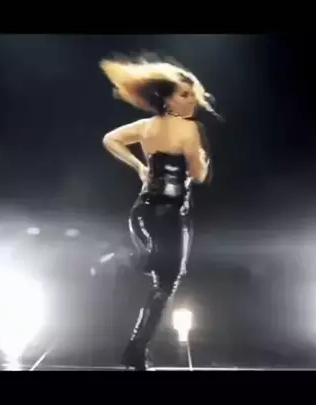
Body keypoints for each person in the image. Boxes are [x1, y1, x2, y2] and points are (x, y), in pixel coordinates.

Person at [100, 55, 219, 370]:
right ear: (166, 99)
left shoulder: (145, 126)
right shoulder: (189, 129)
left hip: (143, 213)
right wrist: (202, 158)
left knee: (161, 281)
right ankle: (135, 350)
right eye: (184, 94)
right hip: (170, 214)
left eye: (192, 94)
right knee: (167, 283)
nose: (192, 100)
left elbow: (110, 139)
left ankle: (136, 350)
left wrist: (140, 166)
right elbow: (199, 175)